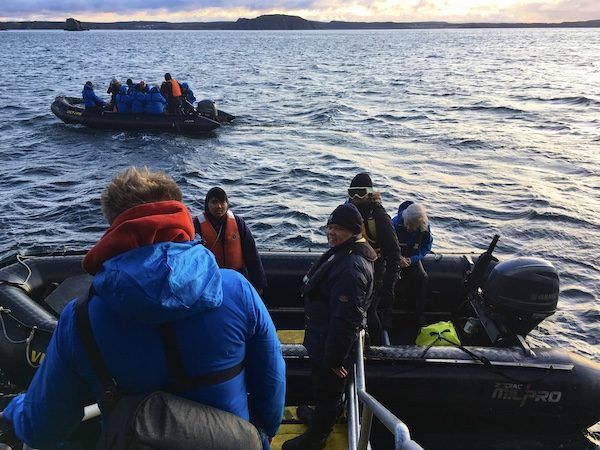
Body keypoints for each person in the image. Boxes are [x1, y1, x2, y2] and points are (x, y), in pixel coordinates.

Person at [0, 167, 285, 449]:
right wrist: (261, 434)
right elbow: (272, 380)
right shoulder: (237, 289)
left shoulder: (80, 320)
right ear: (180, 215)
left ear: (113, 225)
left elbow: (41, 431)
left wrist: (18, 408)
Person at [282, 203, 376, 450]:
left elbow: (346, 319)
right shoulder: (343, 253)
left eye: (339, 228)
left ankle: (316, 438)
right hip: (322, 336)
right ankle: (321, 419)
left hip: (331, 345)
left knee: (329, 390)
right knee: (322, 388)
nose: (331, 233)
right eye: (330, 227)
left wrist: (334, 359)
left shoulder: (350, 268)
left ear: (354, 231)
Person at [348, 172, 401, 345]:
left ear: (370, 193)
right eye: (352, 193)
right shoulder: (348, 211)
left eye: (361, 193)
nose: (356, 198)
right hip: (352, 269)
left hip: (374, 273)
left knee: (370, 313)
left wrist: (389, 286)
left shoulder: (379, 217)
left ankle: (378, 348)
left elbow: (394, 254)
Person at [193, 187, 267, 295]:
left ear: (227, 203)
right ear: (207, 204)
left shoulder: (238, 223)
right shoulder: (197, 225)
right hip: (209, 281)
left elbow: (252, 254)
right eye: (214, 202)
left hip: (237, 278)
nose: (219, 206)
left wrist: (259, 283)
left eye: (222, 202)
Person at [391, 201, 433, 328]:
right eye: (407, 224)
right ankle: (386, 313)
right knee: (388, 280)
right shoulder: (393, 223)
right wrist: (397, 258)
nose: (408, 228)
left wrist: (413, 259)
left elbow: (426, 247)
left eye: (412, 226)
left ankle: (418, 313)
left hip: (411, 258)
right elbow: (386, 245)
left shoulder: (425, 228)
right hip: (394, 257)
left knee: (421, 278)